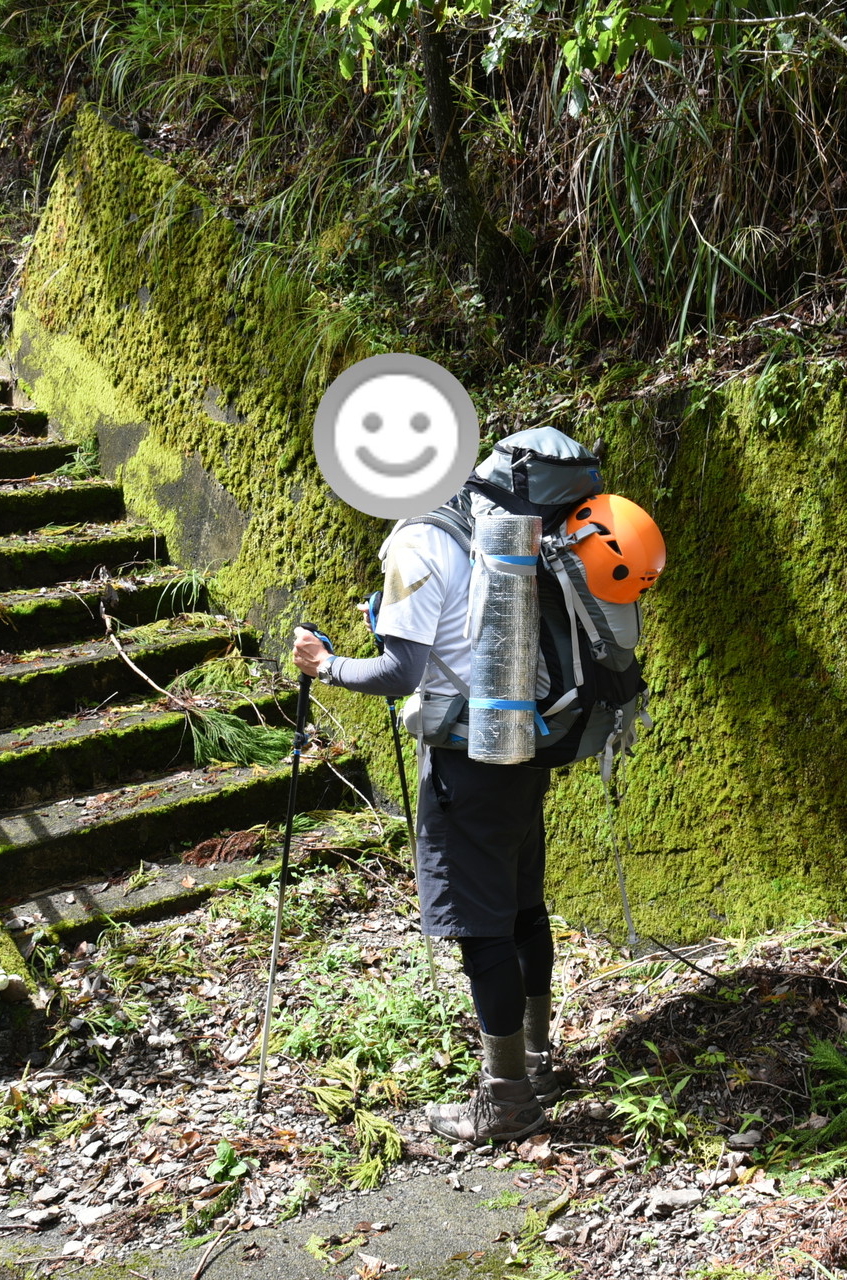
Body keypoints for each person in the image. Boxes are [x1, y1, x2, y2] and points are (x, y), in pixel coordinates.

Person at [289, 437, 586, 1142]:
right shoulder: (480, 520)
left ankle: (507, 1100)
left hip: (466, 759)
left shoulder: (414, 544)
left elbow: (399, 672)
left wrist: (325, 665)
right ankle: (538, 1061)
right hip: (522, 736)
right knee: (523, 908)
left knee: (482, 929)